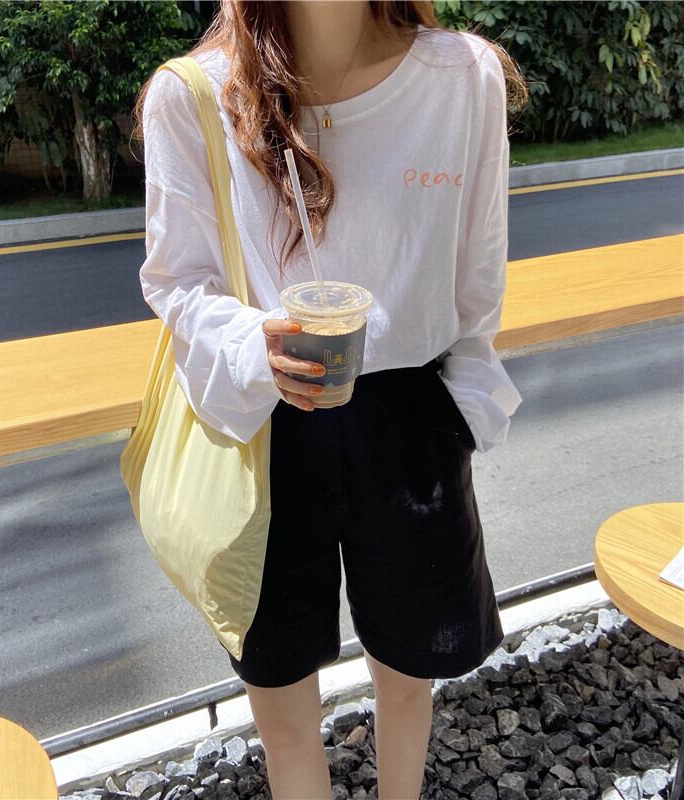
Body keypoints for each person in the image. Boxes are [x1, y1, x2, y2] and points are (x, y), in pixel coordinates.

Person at [133, 2, 529, 798]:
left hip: (412, 419)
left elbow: (478, 272)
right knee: (283, 713)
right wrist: (256, 345)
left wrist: (463, 407)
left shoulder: (463, 78)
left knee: (409, 679)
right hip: (267, 428)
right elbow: (178, 281)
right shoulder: (193, 94)